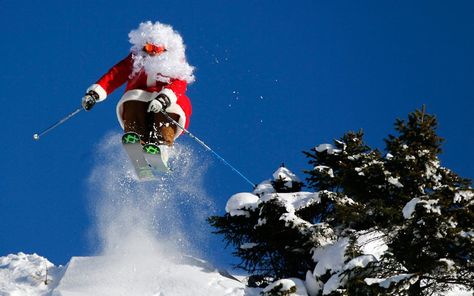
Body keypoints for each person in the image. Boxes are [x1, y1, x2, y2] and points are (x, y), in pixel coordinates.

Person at [82, 21, 195, 165]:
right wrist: (95, 93)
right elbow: (115, 75)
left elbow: (179, 84)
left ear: (165, 49)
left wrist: (164, 99)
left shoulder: (175, 64)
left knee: (166, 114)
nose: (152, 52)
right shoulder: (136, 60)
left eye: (156, 48)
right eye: (148, 47)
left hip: (165, 100)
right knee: (132, 103)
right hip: (139, 97)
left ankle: (161, 145)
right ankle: (136, 138)